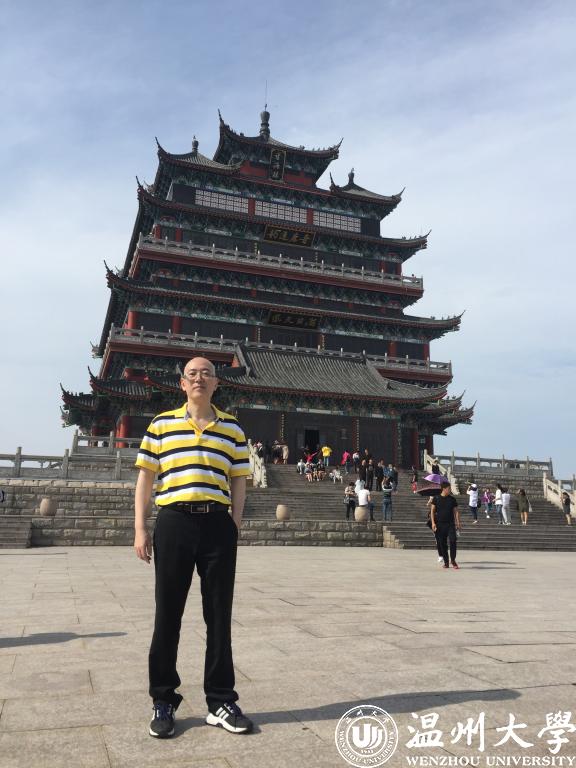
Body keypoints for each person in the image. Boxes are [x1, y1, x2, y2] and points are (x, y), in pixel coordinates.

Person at [134, 357, 253, 738]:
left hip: (217, 524)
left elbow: (239, 479)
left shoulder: (232, 428)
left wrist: (234, 524)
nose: (199, 378)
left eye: (206, 373)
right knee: (167, 613)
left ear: (217, 384)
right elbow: (145, 479)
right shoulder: (161, 424)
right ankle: (163, 699)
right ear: (182, 384)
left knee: (219, 615)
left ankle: (220, 700)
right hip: (174, 522)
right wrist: (140, 528)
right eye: (192, 374)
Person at [430, 481, 461, 569]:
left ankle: (453, 560)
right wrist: (433, 523)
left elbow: (456, 511)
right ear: (444, 489)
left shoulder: (452, 499)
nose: (450, 490)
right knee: (442, 543)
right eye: (449, 488)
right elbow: (432, 511)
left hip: (450, 524)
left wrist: (458, 522)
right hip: (440, 524)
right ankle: (446, 562)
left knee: (453, 540)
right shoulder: (436, 498)